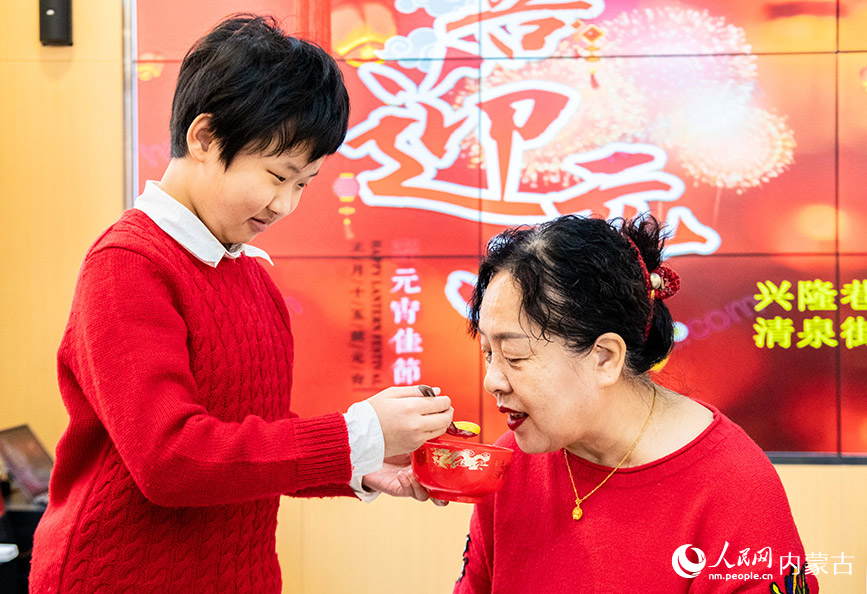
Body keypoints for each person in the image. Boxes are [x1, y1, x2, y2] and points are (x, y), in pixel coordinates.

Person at [28, 15, 453, 594]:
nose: (285, 204)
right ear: (204, 137)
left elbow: (253, 441)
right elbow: (172, 460)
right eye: (278, 175)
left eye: (304, 184)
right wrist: (356, 433)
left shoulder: (249, 274)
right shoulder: (129, 263)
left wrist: (363, 463)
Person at [454, 215, 818, 593]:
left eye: (514, 356)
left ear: (605, 357)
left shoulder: (735, 487)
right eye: (487, 352)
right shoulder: (511, 464)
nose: (492, 380)